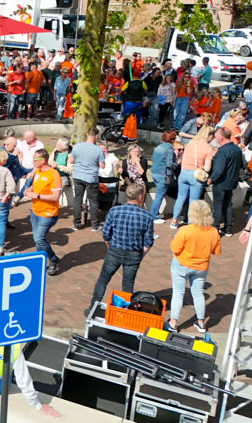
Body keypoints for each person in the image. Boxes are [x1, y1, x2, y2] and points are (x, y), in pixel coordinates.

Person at [87, 184, 155, 313]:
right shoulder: (147, 217)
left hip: (115, 251)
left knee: (103, 280)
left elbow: (106, 233)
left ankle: (93, 308)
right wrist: (140, 255)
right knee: (128, 285)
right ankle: (126, 314)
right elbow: (148, 242)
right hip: (134, 254)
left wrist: (110, 247)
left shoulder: (114, 211)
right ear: (140, 197)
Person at [168, 200, 221, 333]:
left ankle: (173, 323)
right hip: (201, 267)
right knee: (198, 293)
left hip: (181, 264)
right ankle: (201, 323)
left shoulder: (185, 230)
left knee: (178, 294)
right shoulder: (213, 231)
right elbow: (216, 251)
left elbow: (174, 248)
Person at [24, 149, 63, 275]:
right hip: (35, 211)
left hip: (47, 214)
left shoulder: (54, 174)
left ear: (42, 160)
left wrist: (36, 195)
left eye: (35, 160)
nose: (33, 162)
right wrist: (30, 191)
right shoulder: (38, 171)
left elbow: (55, 197)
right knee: (38, 240)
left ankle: (53, 260)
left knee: (39, 238)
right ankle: (40, 262)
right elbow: (37, 188)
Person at [171, 125, 213, 229]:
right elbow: (207, 168)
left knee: (180, 198)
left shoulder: (190, 143)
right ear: (209, 136)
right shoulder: (208, 148)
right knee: (193, 200)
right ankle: (190, 222)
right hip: (196, 175)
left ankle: (174, 220)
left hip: (184, 172)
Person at [208, 127, 243, 236]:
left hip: (221, 182)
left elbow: (218, 170)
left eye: (217, 136)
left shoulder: (222, 151)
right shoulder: (237, 149)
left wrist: (211, 179)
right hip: (232, 181)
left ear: (221, 137)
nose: (215, 138)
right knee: (227, 203)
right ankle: (227, 228)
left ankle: (215, 227)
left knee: (217, 205)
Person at [69, 127, 105, 230]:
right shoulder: (98, 149)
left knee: (77, 200)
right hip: (91, 178)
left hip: (78, 176)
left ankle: (76, 224)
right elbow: (102, 165)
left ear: (87, 135)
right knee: (93, 201)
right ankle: (94, 225)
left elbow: (71, 160)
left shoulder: (77, 146)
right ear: (96, 136)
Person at [150, 130, 178, 223]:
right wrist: (177, 163)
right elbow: (169, 164)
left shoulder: (158, 147)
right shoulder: (169, 149)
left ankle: (156, 213)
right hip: (163, 175)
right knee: (159, 196)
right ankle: (153, 216)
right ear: (173, 139)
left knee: (158, 195)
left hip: (154, 173)